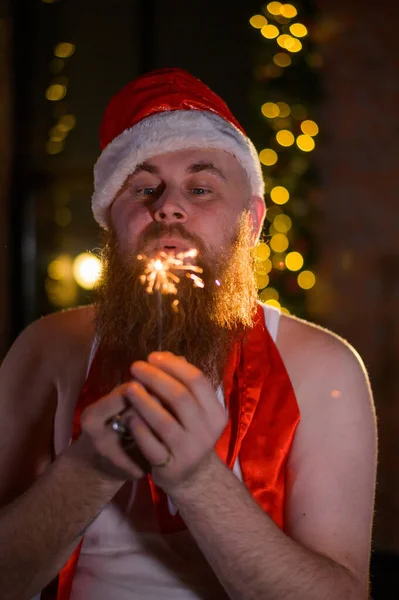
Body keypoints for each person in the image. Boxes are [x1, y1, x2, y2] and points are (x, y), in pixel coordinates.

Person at [0, 68, 376, 600]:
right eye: (144, 187)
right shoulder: (48, 348)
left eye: (200, 188)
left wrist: (197, 478)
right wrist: (91, 467)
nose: (168, 207)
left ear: (250, 222)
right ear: (111, 220)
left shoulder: (323, 366)